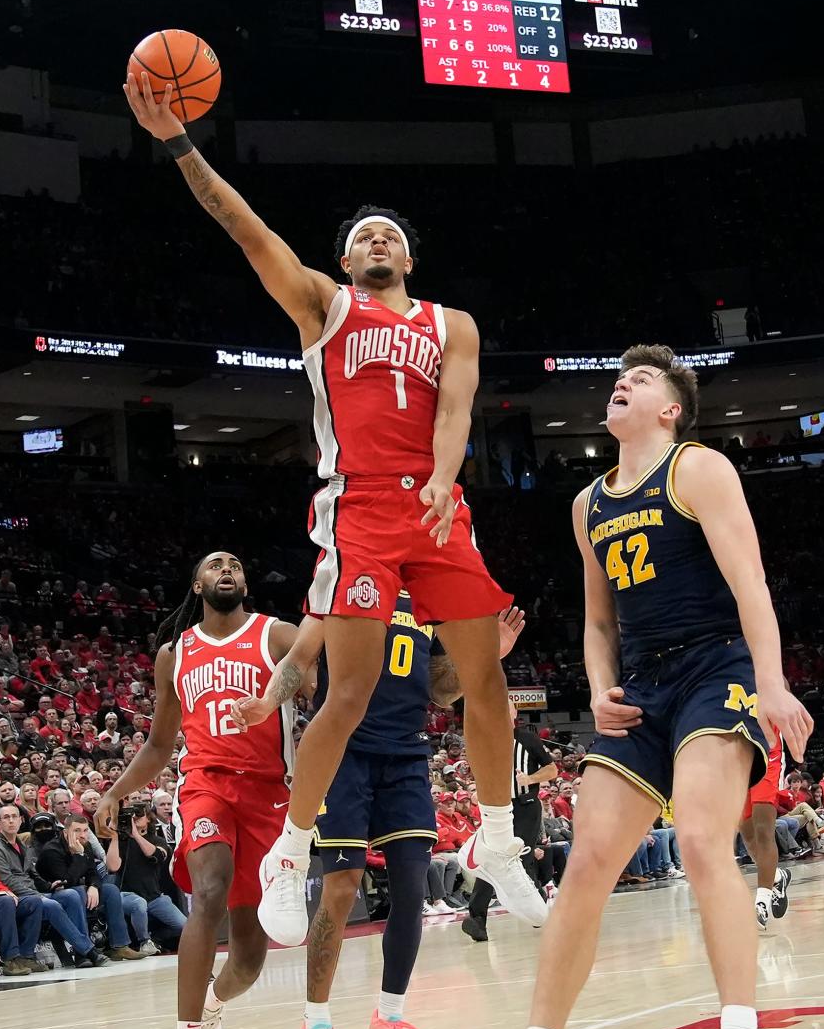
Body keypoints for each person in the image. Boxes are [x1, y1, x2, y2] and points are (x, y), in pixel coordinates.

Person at [124, 72, 544, 943]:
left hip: (436, 506)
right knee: (345, 692)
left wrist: (441, 476)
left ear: (410, 260)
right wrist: (178, 142)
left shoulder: (450, 322)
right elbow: (244, 226)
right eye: (363, 236)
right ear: (347, 261)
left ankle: (499, 842)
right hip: (357, 511)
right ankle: (290, 850)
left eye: (390, 234)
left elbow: (459, 408)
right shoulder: (325, 305)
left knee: (487, 681)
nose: (377, 239)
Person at [465, 345, 812, 1029]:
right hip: (641, 689)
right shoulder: (588, 502)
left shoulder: (699, 469)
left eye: (643, 379)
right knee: (585, 862)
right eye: (618, 376)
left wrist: (773, 681)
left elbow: (751, 581)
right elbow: (597, 621)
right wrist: (596, 687)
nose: (622, 382)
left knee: (698, 836)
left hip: (716, 666)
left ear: (671, 410)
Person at [235, 594, 524, 1029]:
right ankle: (316, 1028)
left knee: (412, 889)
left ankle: (389, 1020)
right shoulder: (345, 582)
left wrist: (488, 654)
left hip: (406, 755)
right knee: (342, 887)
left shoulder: (427, 595)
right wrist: (266, 703)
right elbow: (301, 657)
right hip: (344, 751)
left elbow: (438, 690)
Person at [95, 550, 302, 1029]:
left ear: (246, 580)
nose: (227, 569)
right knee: (207, 891)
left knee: (252, 955)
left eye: (236, 563)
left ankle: (211, 1007)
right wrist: (117, 790)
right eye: (215, 565)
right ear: (197, 583)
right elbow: (162, 744)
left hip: (269, 793)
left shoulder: (277, 635)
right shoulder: (175, 652)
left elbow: (322, 675)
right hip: (206, 782)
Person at [462, 706, 558, 944]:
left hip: (525, 807)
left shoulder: (527, 739)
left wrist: (530, 779)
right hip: (496, 809)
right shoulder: (486, 740)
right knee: (494, 860)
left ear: (514, 715)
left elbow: (552, 769)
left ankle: (536, 906)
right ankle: (477, 919)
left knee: (515, 860)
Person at [0, 804, 109, 967]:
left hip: (34, 892)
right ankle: (88, 951)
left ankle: (80, 953)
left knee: (71, 895)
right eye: (6, 818)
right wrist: (39, 895)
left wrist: (49, 887)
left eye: (14, 817)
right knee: (52, 905)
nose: (11, 821)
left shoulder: (21, 843)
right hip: (17, 897)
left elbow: (32, 874)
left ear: (21, 820)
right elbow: (7, 880)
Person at [34, 814, 143, 962]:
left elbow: (93, 872)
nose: (82, 835)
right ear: (66, 832)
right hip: (52, 895)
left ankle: (119, 946)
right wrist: (79, 855)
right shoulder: (51, 850)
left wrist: (93, 886)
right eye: (77, 830)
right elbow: (67, 881)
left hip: (76, 892)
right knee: (76, 892)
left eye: (85, 830)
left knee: (110, 890)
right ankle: (83, 950)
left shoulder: (87, 845)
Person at [103, 802, 187, 956]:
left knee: (184, 925)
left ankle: (155, 939)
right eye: (131, 816)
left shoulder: (158, 840)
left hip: (154, 896)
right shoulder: (122, 843)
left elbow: (155, 855)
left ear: (148, 818)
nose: (134, 818)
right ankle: (144, 941)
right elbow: (113, 867)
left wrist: (135, 835)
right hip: (127, 895)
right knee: (138, 903)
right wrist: (114, 838)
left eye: (139, 815)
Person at [739, 729, 791, 930]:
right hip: (739, 760)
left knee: (763, 831)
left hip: (768, 754)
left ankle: (761, 903)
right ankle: (778, 877)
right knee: (749, 836)